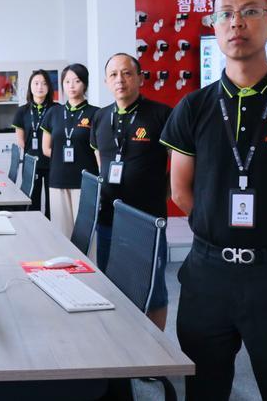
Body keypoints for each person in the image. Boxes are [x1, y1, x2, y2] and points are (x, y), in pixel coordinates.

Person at [160, 0, 267, 400]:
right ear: (214, 26)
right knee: (204, 389)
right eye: (226, 14)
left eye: (251, 11)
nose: (237, 22)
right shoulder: (193, 106)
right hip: (207, 273)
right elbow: (180, 191)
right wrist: (217, 228)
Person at [89, 53, 171, 330]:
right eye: (113, 75)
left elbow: (180, 165)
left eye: (126, 73)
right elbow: (101, 162)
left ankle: (155, 350)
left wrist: (160, 193)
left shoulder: (161, 114)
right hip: (108, 220)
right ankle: (121, 345)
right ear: (105, 81)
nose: (120, 80)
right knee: (112, 287)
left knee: (153, 291)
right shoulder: (101, 117)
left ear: (140, 78)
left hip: (147, 220)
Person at [41, 64, 99, 237]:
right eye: (67, 82)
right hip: (58, 179)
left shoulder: (96, 113)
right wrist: (62, 159)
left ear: (85, 84)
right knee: (61, 234)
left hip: (85, 181)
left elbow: (99, 152)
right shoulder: (53, 112)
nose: (71, 86)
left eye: (77, 81)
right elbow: (46, 148)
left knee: (86, 235)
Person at [12, 69, 56, 217]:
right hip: (31, 162)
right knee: (32, 202)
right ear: (30, 86)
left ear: (49, 87)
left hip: (52, 162)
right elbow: (20, 140)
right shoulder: (22, 111)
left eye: (44, 83)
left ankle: (51, 230)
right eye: (36, 83)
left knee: (53, 205)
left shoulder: (56, 109)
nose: (40, 87)